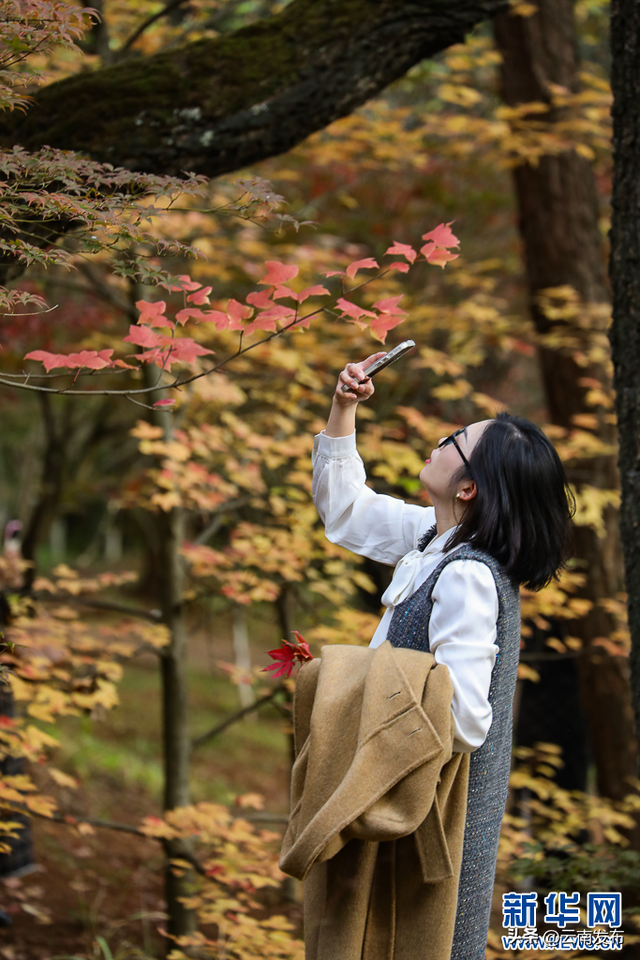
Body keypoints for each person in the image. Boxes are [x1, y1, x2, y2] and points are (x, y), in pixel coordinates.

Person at [311, 353, 575, 959]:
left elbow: (465, 719)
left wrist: (359, 680)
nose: (439, 439)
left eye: (455, 441)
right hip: (405, 801)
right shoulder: (435, 539)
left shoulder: (469, 577)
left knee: (423, 942)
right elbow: (346, 512)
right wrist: (344, 408)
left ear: (468, 487)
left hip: (431, 815)